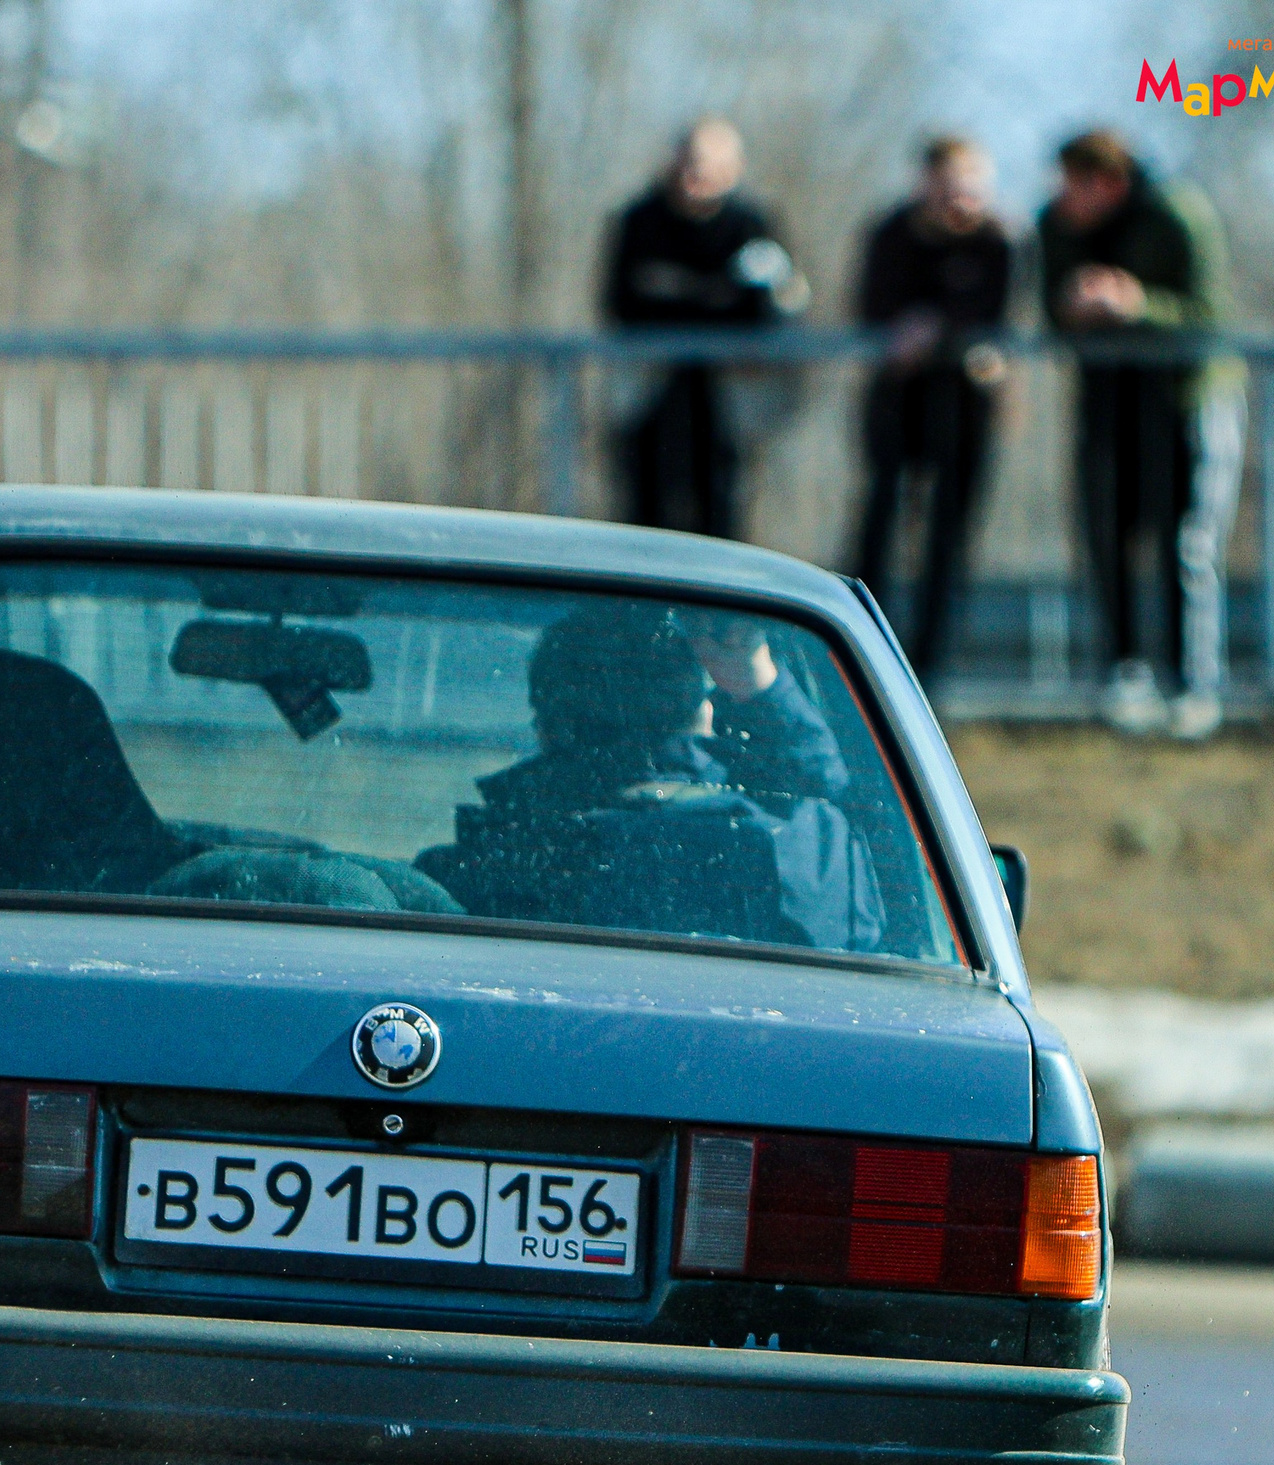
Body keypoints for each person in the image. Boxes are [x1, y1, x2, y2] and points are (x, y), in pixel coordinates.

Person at [417, 601, 880, 950]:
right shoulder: (805, 847)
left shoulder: (477, 870)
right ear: (702, 711)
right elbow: (861, 815)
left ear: (547, 727)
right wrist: (757, 684)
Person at [1039, 128, 1243, 740]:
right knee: (1108, 537)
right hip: (1107, 402)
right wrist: (1072, 307)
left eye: (1079, 185)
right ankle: (1125, 676)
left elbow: (1211, 316)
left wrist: (1136, 305)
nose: (1066, 198)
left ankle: (1194, 687)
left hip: (1186, 398)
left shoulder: (1178, 212)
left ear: (1112, 181)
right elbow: (1051, 314)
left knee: (1188, 543)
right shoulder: (1056, 223)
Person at [852, 136, 1014, 688]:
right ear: (925, 183)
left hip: (969, 407)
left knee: (951, 535)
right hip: (897, 402)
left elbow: (1002, 315)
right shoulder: (891, 233)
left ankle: (932, 670)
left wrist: (938, 327)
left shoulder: (1003, 241)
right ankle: (864, 654)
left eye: (971, 187)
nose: (959, 200)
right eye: (947, 185)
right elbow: (871, 307)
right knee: (880, 523)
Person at [599, 119, 810, 541]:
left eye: (710, 163)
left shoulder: (753, 224)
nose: (697, 173)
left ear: (734, 168)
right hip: (651, 393)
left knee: (722, 511)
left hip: (728, 399)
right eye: (690, 161)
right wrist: (716, 296)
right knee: (646, 514)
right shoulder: (640, 221)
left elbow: (770, 308)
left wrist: (680, 292)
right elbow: (624, 305)